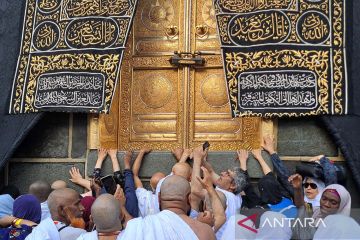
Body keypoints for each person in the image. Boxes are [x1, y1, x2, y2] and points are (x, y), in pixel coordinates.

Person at [118, 175, 216, 240]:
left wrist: (121, 207)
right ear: (189, 199)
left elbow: (129, 226)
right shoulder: (205, 232)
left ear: (159, 198)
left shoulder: (139, 226)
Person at [262, 135, 334, 209]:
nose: (308, 188)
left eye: (313, 186)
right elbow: (284, 175)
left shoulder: (327, 203)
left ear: (320, 187)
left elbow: (331, 176)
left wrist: (322, 159)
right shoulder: (301, 196)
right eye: (306, 185)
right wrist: (271, 152)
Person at [289, 174, 352, 239]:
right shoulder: (317, 211)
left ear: (342, 206)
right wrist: (298, 189)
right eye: (324, 199)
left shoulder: (341, 230)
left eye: (333, 202)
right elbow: (301, 207)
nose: (326, 204)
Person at [240, 149, 297, 218]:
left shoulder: (262, 210)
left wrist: (243, 162)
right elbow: (271, 176)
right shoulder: (287, 199)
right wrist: (260, 157)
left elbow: (248, 189)